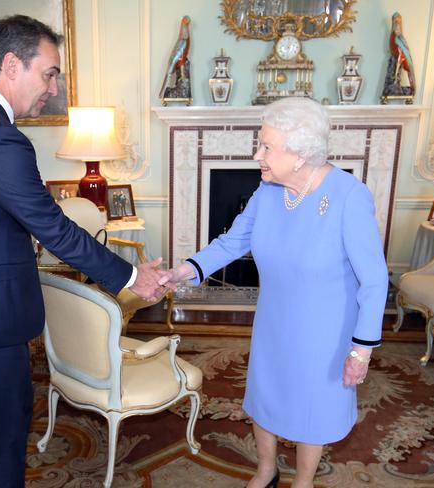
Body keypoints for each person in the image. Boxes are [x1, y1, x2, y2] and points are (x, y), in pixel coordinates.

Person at [0, 15, 168, 488]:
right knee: (1, 440)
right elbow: (54, 229)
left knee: (7, 420)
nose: (53, 89)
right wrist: (130, 277)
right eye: (50, 73)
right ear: (13, 64)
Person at [163, 97, 388, 488]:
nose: (257, 154)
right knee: (264, 397)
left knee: (311, 410)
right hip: (273, 321)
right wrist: (183, 271)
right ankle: (266, 468)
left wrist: (361, 350)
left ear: (299, 154)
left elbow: (375, 279)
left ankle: (303, 481)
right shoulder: (270, 190)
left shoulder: (349, 197)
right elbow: (232, 242)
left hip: (325, 331)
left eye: (267, 146)